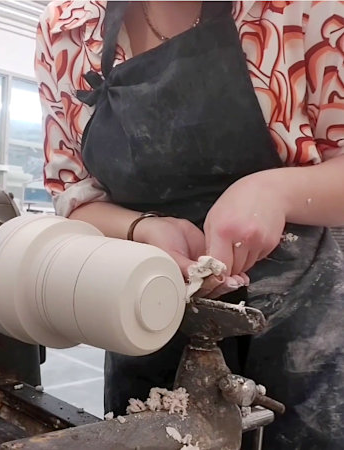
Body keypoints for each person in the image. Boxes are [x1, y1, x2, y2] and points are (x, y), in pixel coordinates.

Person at [35, 1, 344, 448]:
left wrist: (276, 192)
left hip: (307, 329)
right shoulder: (67, 30)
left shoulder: (302, 9)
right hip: (146, 311)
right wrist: (143, 228)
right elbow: (73, 195)